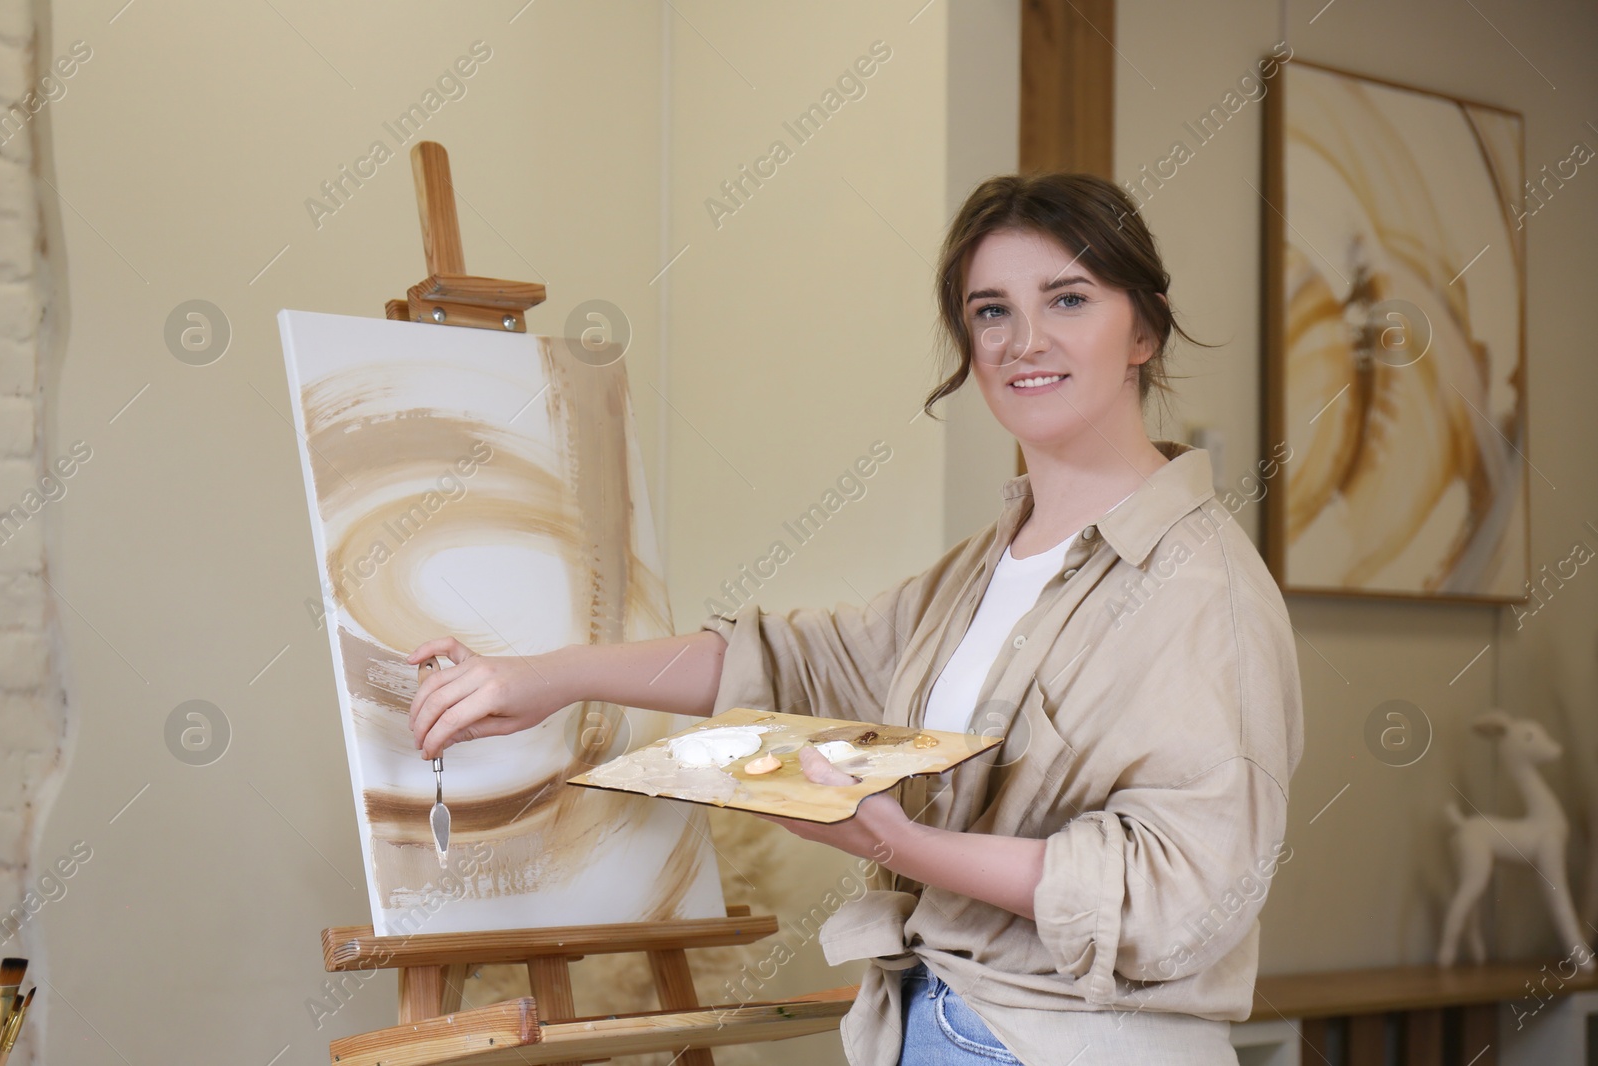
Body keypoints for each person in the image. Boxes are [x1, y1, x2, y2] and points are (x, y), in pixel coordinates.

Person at [406, 172, 1304, 1066]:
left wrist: (897, 841)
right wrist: (546, 678)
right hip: (936, 1019)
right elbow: (793, 662)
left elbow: (1182, 890)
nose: (1024, 340)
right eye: (990, 311)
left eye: (1067, 298)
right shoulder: (982, 572)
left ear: (1142, 328)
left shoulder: (1204, 589)